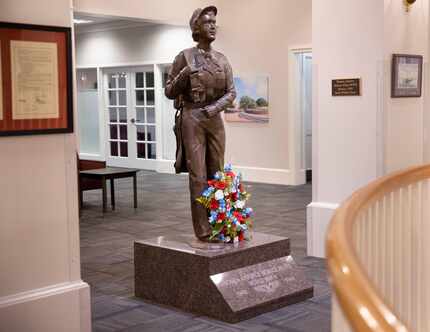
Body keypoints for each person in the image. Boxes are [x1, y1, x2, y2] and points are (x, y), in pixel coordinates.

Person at [165, 5, 236, 241]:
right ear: (197, 27)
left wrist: (215, 108)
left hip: (213, 118)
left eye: (214, 22)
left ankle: (222, 223)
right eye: (207, 22)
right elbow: (169, 91)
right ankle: (203, 230)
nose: (213, 26)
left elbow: (231, 92)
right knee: (198, 175)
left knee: (218, 172)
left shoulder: (222, 59)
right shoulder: (184, 56)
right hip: (192, 117)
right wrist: (185, 73)